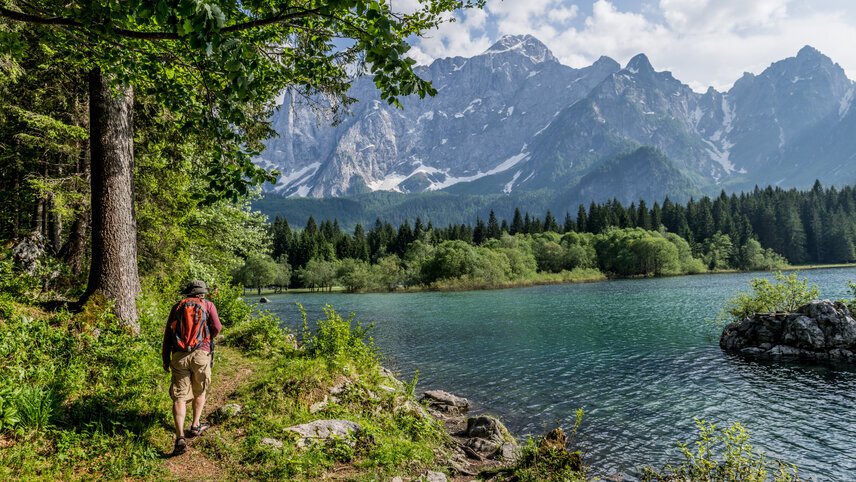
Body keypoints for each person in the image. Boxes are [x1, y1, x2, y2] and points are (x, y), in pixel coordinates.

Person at [162, 280, 222, 456]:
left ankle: (180, 436)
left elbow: (168, 335)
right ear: (203, 293)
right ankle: (195, 425)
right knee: (200, 390)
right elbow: (217, 327)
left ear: (188, 293)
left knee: (179, 397)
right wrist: (207, 339)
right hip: (201, 354)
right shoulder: (208, 305)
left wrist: (166, 358)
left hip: (179, 355)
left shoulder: (178, 307)